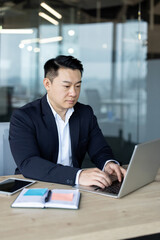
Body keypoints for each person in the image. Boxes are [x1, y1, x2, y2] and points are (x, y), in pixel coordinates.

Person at [9, 55, 126, 188]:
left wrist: (108, 163)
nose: (73, 93)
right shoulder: (24, 117)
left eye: (77, 86)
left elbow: (99, 149)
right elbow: (29, 163)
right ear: (47, 84)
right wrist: (78, 175)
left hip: (74, 187)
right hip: (35, 185)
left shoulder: (85, 113)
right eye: (66, 86)